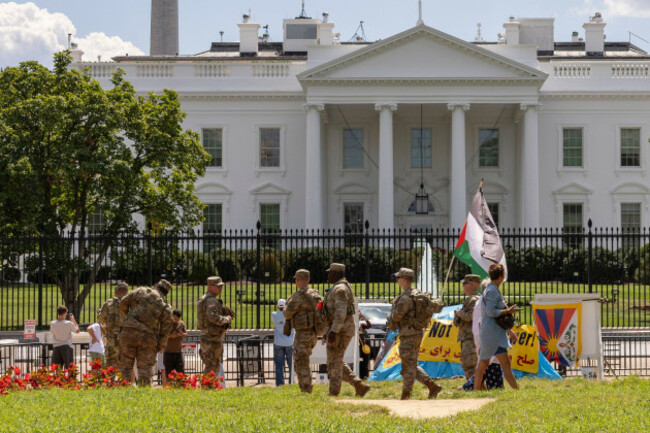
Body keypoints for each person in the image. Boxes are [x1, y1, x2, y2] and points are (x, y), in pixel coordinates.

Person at [387, 268, 442, 400]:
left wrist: (394, 306)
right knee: (411, 363)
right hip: (417, 332)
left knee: (408, 365)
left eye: (399, 277)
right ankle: (431, 386)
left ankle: (406, 394)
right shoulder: (417, 294)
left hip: (407, 333)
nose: (397, 279)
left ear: (404, 279)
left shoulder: (405, 298)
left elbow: (396, 317)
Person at [322, 263, 370, 397]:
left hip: (341, 330)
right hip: (340, 329)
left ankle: (334, 392)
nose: (328, 275)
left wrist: (333, 331)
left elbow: (340, 313)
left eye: (330, 272)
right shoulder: (339, 288)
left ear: (336, 273)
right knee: (335, 361)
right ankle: (359, 385)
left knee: (335, 362)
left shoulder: (340, 289)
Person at [118, 279, 173, 386]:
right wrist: (160, 345)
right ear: (166, 292)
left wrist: (128, 318)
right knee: (145, 370)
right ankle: (143, 394)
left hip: (128, 332)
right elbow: (166, 328)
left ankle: (123, 392)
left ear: (156, 286)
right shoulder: (165, 305)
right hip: (147, 337)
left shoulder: (141, 291)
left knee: (125, 367)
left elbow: (123, 302)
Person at [474, 263, 519, 391]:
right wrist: (507, 311)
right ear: (500, 276)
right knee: (502, 363)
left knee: (484, 363)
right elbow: (491, 312)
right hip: (493, 335)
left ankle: (476, 391)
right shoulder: (492, 291)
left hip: (492, 334)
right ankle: (517, 391)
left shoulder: (490, 289)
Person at [460, 278, 505, 391]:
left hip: (486, 338)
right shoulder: (483, 303)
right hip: (485, 338)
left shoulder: (484, 302)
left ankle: (470, 387)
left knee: (488, 364)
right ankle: (471, 387)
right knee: (489, 364)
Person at [283, 269, 323, 393]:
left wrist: (286, 303)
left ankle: (306, 390)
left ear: (299, 280)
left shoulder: (297, 297)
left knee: (301, 362)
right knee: (303, 361)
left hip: (302, 334)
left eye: (297, 279)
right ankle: (305, 388)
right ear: (308, 280)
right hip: (314, 333)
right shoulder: (316, 295)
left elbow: (287, 313)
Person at [198, 276, 234, 375]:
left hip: (209, 337)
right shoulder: (211, 301)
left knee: (213, 366)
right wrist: (226, 319)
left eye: (221, 286)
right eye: (218, 286)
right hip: (211, 338)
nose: (220, 288)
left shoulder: (206, 299)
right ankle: (206, 388)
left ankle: (209, 387)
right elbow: (213, 318)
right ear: (210, 286)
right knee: (212, 366)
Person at [453, 274, 481, 380]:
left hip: (470, 337)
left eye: (465, 283)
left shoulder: (474, 299)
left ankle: (474, 387)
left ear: (472, 284)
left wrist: (460, 315)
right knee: (468, 364)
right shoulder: (471, 299)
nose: (463, 286)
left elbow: (472, 316)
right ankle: (474, 386)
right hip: (467, 337)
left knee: (470, 364)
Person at [98, 281, 129, 369]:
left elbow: (101, 318)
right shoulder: (130, 305)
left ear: (116, 292)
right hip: (126, 339)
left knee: (110, 364)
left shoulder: (109, 303)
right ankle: (124, 382)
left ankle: (110, 382)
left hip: (112, 339)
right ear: (127, 293)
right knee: (125, 364)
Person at [272, 299, 294, 386]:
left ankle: (280, 384)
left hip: (278, 342)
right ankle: (291, 382)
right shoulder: (290, 316)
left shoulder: (274, 315)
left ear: (278, 306)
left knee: (279, 365)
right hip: (289, 342)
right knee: (291, 365)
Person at [164, 309, 187, 375]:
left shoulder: (181, 324)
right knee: (169, 374)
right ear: (172, 316)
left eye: (178, 319)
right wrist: (172, 336)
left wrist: (182, 334)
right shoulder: (168, 324)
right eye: (175, 319)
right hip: (168, 352)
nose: (176, 320)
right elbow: (164, 335)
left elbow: (186, 335)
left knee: (181, 373)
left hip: (178, 352)